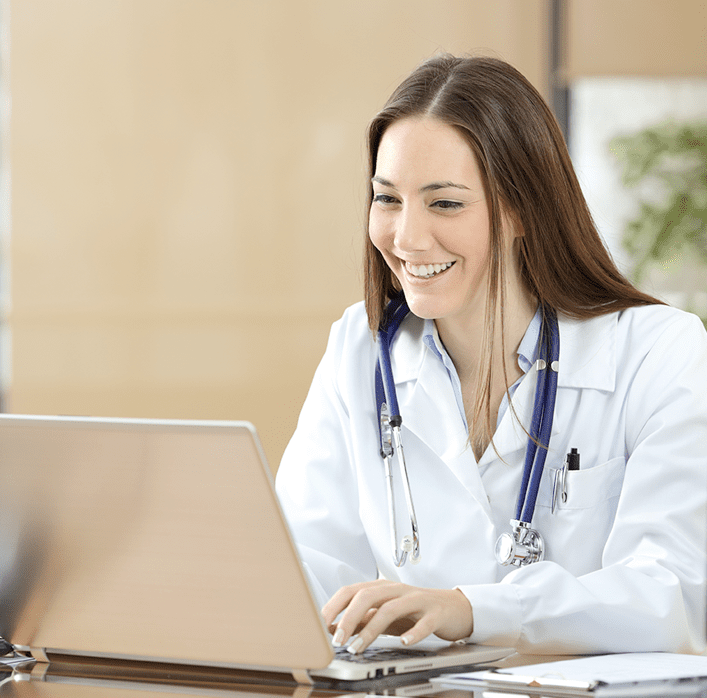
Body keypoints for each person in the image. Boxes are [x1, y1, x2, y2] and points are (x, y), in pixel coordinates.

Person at [275, 53, 707, 656]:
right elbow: (303, 569)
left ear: (523, 208)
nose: (406, 237)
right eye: (386, 199)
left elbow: (674, 598)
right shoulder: (360, 347)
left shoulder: (660, 352)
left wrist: (471, 610)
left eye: (444, 203)